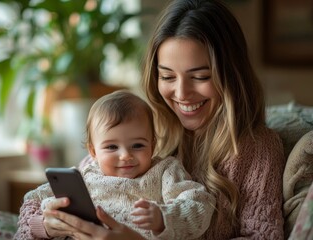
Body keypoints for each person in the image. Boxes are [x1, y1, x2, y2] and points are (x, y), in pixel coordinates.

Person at [16, 0, 285, 239]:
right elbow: (34, 213)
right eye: (167, 76)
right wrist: (49, 225)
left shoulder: (257, 148)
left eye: (201, 77)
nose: (181, 93)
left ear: (231, 76)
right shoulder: (138, 130)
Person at [14, 90, 216, 239]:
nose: (125, 156)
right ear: (93, 151)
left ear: (153, 145)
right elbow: (32, 199)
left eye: (138, 145)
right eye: (111, 147)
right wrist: (45, 223)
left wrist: (164, 218)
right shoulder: (85, 175)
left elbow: (199, 203)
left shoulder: (165, 171)